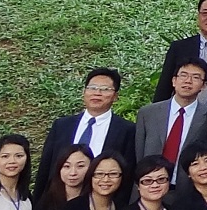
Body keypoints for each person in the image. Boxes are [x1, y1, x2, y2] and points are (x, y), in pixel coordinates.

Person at [34, 68, 136, 197]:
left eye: (105, 89)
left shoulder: (127, 130)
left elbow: (127, 173)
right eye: (92, 88)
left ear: (115, 96)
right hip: (59, 199)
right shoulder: (62, 125)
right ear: (84, 92)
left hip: (103, 201)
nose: (97, 93)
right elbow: (46, 166)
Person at [136, 59, 207, 178]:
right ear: (174, 81)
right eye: (183, 75)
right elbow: (138, 153)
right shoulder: (148, 113)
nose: (188, 81)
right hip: (152, 182)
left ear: (204, 85)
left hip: (188, 183)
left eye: (195, 77)